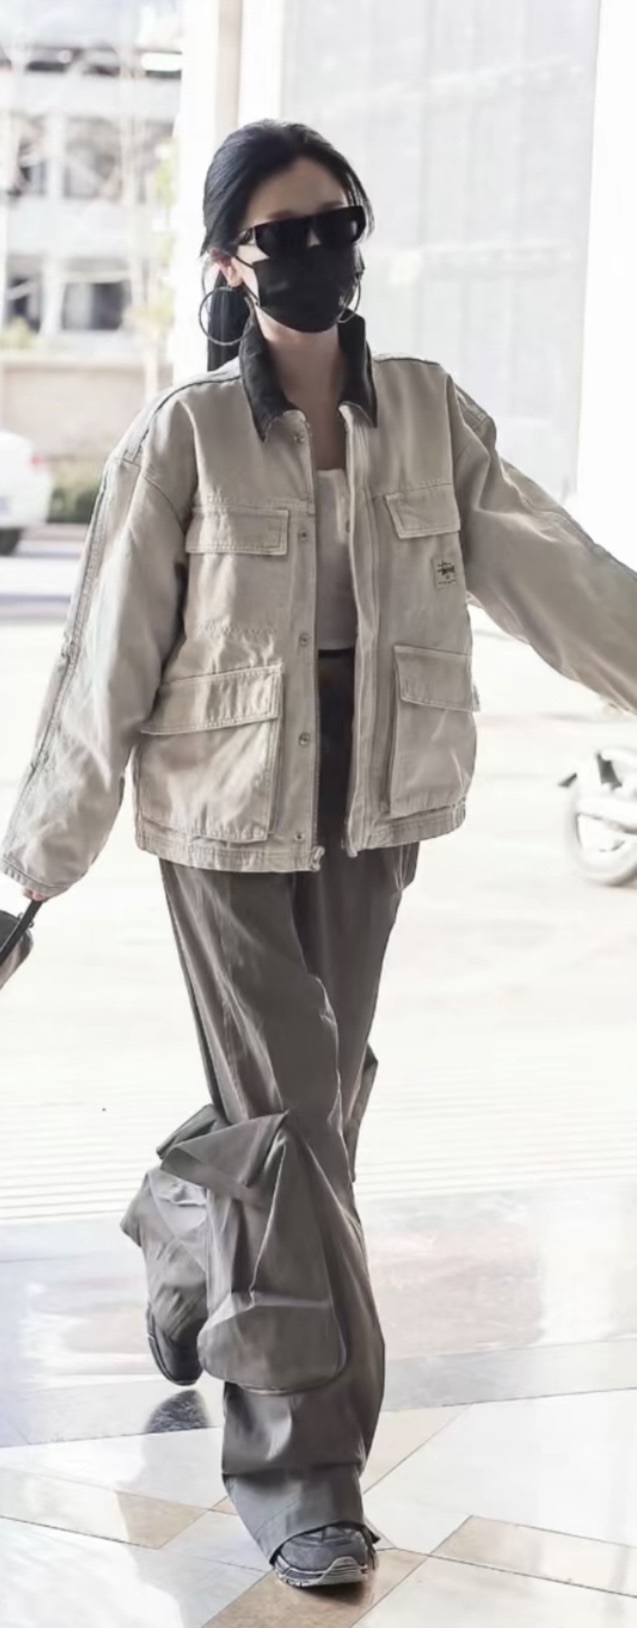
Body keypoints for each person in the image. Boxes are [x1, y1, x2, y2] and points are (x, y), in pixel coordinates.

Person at [2, 118, 637, 1592]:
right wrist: (31, 868)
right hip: (222, 810)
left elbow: (552, 573)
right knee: (290, 1125)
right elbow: (105, 661)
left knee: (311, 1109)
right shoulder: (184, 437)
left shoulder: (425, 411)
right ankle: (305, 1473)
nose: (314, 253)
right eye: (281, 233)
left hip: (376, 798)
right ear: (230, 261)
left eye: (335, 223)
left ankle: (185, 1226)